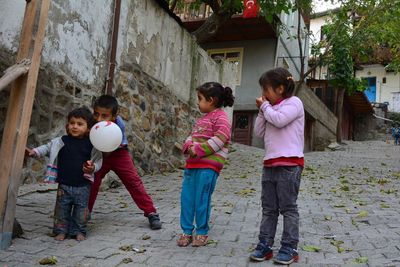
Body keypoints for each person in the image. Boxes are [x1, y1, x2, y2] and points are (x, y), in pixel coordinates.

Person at [249, 68, 304, 264]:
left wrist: (265, 108)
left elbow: (280, 121)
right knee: (269, 208)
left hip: (290, 164)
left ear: (280, 88)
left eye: (266, 89)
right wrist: (263, 110)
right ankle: (265, 245)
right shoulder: (269, 109)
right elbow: (258, 132)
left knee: (288, 208)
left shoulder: (294, 103)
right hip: (270, 164)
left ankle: (290, 247)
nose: (263, 94)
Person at [26, 107, 102, 241]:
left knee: (81, 212)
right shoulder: (61, 141)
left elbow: (99, 161)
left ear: (88, 128)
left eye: (79, 124)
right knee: (61, 210)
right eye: (72, 123)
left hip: (83, 185)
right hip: (64, 185)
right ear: (68, 125)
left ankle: (79, 231)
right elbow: (47, 147)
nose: (75, 126)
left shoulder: (92, 145)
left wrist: (92, 167)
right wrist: (35, 152)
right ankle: (61, 230)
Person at [88, 95, 162, 230]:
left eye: (104, 116)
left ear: (114, 116)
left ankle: (151, 212)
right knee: (92, 181)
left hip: (118, 152)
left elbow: (111, 147)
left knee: (133, 181)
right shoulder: (91, 123)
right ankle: (85, 213)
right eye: (96, 114)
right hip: (98, 154)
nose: (99, 119)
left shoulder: (119, 124)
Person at [177, 82, 235, 247]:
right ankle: (187, 231)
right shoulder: (201, 120)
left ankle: (202, 231)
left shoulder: (221, 118)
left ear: (211, 100)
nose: (197, 102)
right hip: (192, 167)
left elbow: (220, 138)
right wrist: (188, 146)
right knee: (187, 199)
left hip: (208, 167)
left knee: (201, 199)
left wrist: (199, 150)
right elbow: (191, 136)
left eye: (200, 99)